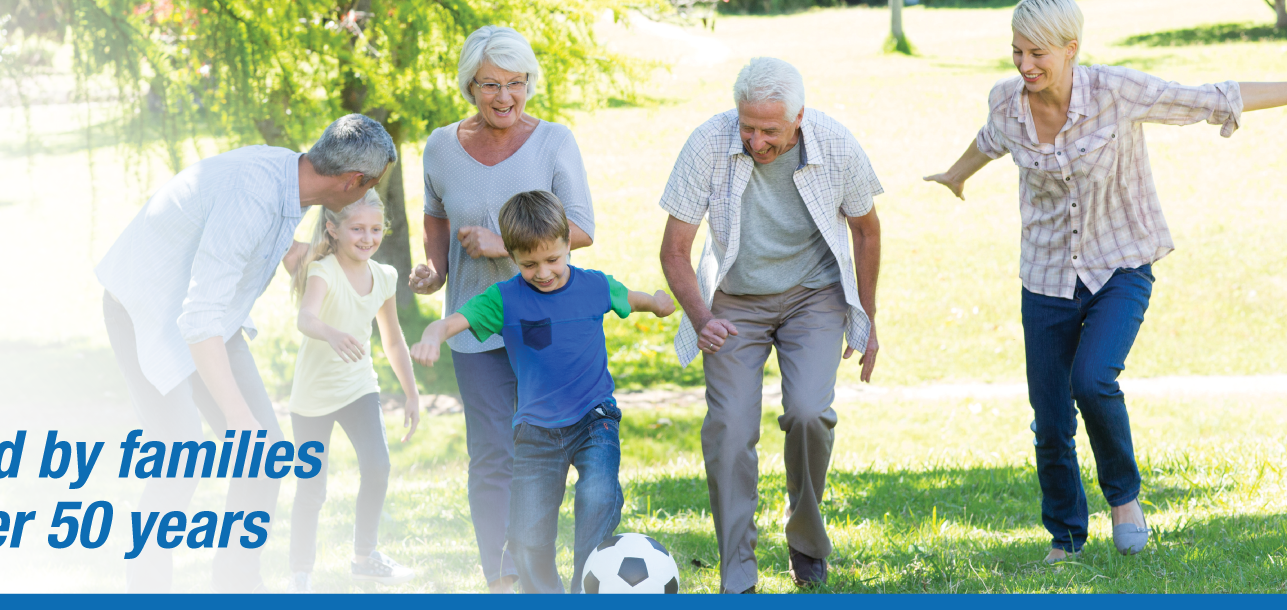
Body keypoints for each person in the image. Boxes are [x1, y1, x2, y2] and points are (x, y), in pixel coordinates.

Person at [924, 0, 1287, 564]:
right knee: (1050, 419)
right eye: (1017, 52)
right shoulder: (1006, 101)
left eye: (1038, 53)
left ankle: (1124, 499)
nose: (1025, 65)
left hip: (1121, 262)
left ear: (1072, 50)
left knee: (1092, 381)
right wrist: (955, 174)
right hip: (1045, 275)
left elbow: (1211, 98)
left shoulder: (1118, 91)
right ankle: (1066, 537)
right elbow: (990, 139)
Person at [95, 114, 396, 592]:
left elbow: (250, 249)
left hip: (209, 315)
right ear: (352, 182)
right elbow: (198, 315)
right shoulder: (255, 195)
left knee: (265, 458)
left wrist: (311, 259)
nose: (367, 195)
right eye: (371, 186)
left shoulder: (290, 181)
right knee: (181, 455)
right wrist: (238, 422)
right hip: (145, 305)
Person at [658, 57, 884, 591]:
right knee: (730, 431)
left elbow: (867, 232)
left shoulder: (835, 144)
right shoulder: (708, 143)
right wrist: (702, 317)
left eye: (770, 130)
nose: (757, 141)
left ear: (799, 117)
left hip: (815, 295)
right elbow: (674, 251)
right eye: (748, 126)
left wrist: (868, 318)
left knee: (809, 413)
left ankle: (805, 541)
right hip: (735, 301)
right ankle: (737, 568)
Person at [407, 25, 597, 592]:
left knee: (541, 447)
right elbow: (436, 212)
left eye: (517, 83)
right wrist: (436, 268)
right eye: (491, 84)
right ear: (470, 84)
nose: (505, 97)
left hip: (544, 327)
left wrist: (502, 245)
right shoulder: (441, 146)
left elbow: (582, 228)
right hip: (474, 327)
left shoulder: (554, 142)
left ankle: (537, 562)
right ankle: (503, 575)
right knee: (491, 453)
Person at [410, 191, 675, 594]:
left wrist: (656, 303)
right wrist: (432, 333)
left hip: (594, 419)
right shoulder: (504, 299)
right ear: (511, 256)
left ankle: (586, 588)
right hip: (535, 432)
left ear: (568, 243)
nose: (544, 272)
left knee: (598, 494)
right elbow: (453, 322)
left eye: (553, 259)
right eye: (529, 264)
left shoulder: (593, 285)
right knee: (528, 538)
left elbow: (628, 299)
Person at [285, 190, 420, 593]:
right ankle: (300, 574)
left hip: (360, 387)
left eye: (376, 229)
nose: (367, 237)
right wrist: (330, 333)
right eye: (357, 228)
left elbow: (393, 340)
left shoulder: (385, 277)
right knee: (312, 487)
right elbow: (306, 318)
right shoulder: (323, 270)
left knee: (378, 467)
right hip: (311, 397)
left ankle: (364, 559)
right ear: (334, 228)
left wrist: (411, 394)